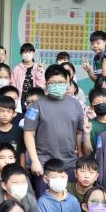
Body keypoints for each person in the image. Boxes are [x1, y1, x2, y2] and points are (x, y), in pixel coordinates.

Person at [24, 65, 84, 194]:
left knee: (68, 200)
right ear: (46, 84)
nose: (57, 85)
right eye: (53, 83)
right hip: (44, 165)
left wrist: (80, 155)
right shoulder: (35, 106)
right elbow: (28, 133)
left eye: (61, 82)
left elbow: (79, 132)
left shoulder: (76, 104)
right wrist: (34, 161)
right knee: (45, 201)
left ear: (67, 82)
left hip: (70, 164)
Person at [0, 96, 25, 172]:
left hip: (14, 173)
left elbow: (22, 154)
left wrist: (23, 172)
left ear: (14, 114)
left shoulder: (19, 132)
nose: (5, 114)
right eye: (2, 111)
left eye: (8, 111)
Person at [82, 88, 106, 156]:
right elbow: (88, 153)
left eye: (104, 101)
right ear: (91, 106)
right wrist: (87, 134)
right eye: (97, 102)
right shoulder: (89, 125)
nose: (101, 104)